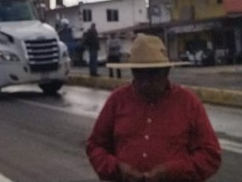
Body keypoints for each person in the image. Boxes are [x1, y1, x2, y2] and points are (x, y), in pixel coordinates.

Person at [86, 34, 221, 182]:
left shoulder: (188, 103)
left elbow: (211, 155)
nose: (145, 82)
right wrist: (117, 168)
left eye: (152, 75)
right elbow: (95, 146)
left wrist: (173, 171)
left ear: (165, 72)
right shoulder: (117, 100)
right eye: (139, 74)